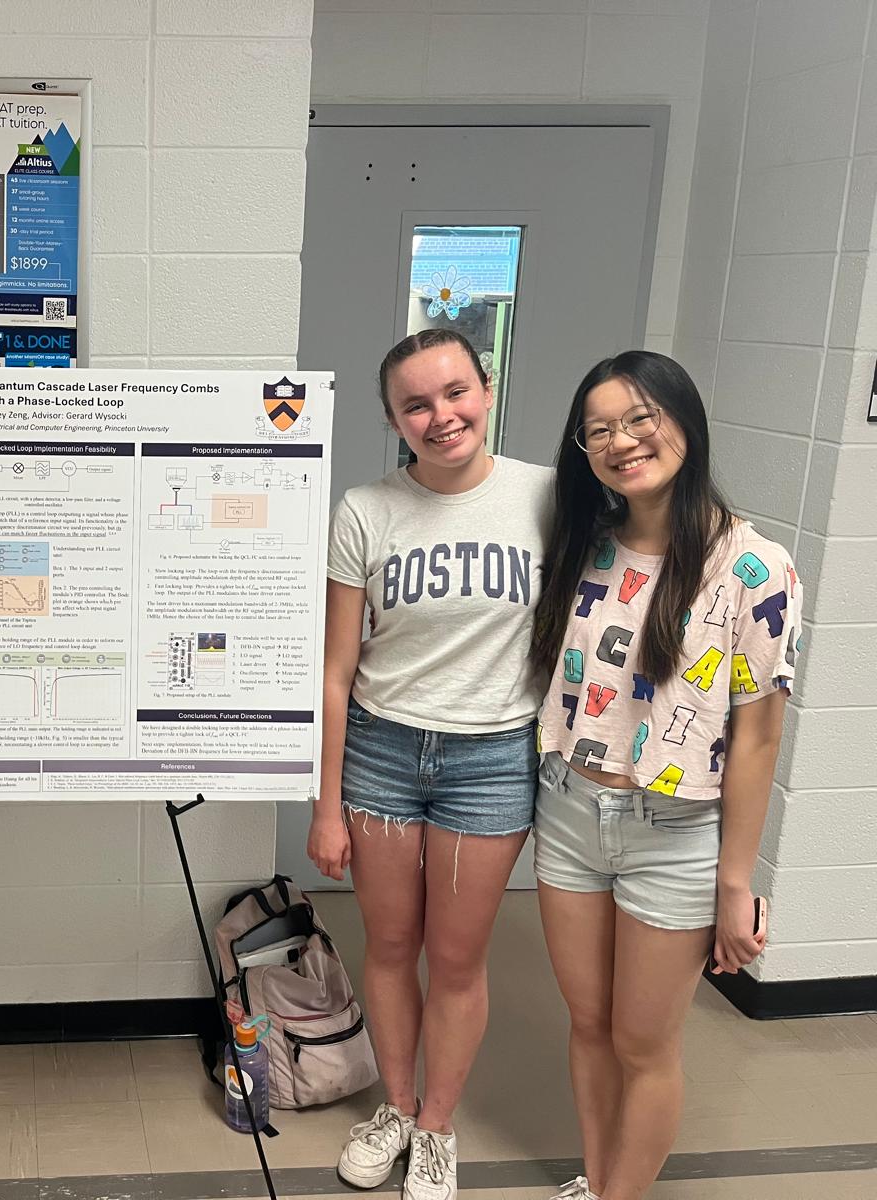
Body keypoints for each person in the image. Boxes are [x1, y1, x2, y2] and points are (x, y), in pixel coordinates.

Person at [528, 352, 798, 1200]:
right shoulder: (587, 547)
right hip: (569, 811)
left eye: (639, 418)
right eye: (599, 428)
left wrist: (734, 882)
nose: (621, 441)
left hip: (675, 830)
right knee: (589, 1025)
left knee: (646, 1047)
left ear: (684, 419)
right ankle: (599, 1180)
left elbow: (757, 740)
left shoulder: (753, 569)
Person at [308, 329, 552, 1200]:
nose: (439, 415)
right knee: (389, 944)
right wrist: (326, 803)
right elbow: (336, 671)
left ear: (485, 389)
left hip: (491, 758)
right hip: (380, 750)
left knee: (456, 959)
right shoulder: (365, 509)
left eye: (454, 392)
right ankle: (398, 1110)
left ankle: (439, 1129)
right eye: (416, 404)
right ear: (393, 420)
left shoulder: (550, 496)